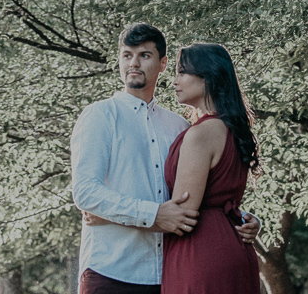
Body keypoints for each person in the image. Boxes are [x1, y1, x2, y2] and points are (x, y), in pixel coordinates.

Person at [70, 23, 260, 294]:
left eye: (144, 55)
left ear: (162, 64)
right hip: (112, 270)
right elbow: (86, 193)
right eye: (127, 55)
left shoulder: (179, 127)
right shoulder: (100, 116)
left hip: (166, 273)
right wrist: (152, 215)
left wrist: (243, 219)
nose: (134, 63)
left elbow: (204, 195)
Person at [161, 41, 262, 294]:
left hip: (200, 253)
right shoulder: (232, 128)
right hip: (234, 246)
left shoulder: (200, 134)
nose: (174, 81)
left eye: (182, 72)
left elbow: (182, 213)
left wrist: (116, 218)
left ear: (208, 77)